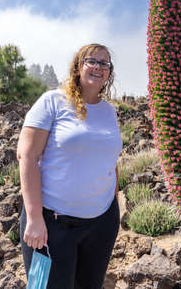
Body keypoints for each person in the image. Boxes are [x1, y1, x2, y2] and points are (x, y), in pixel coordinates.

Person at [17, 44, 123, 289]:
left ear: (109, 72)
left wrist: (112, 208)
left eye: (104, 63)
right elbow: (27, 156)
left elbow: (110, 161)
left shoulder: (109, 112)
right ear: (78, 66)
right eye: (92, 61)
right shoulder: (52, 102)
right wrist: (33, 218)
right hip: (51, 226)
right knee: (42, 286)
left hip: (100, 225)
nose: (98, 67)